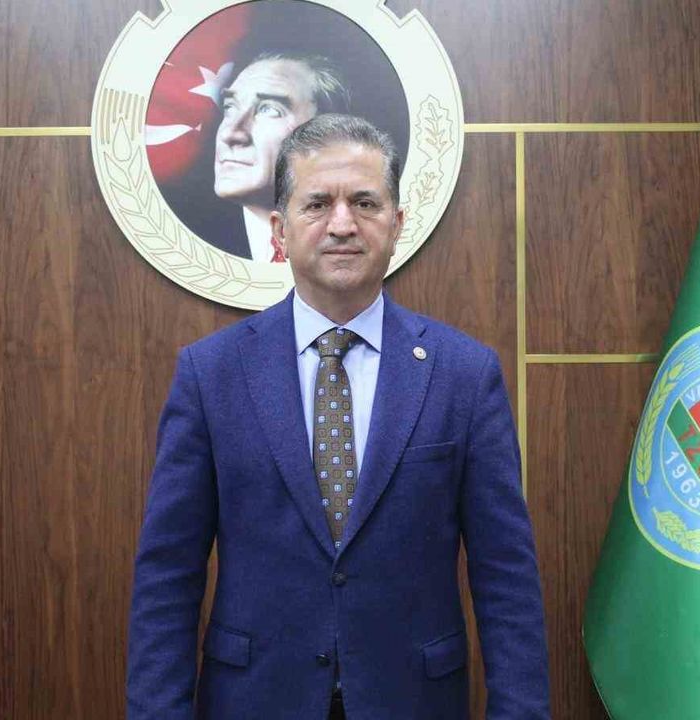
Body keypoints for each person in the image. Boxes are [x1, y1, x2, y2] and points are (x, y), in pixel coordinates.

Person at [125, 114, 550, 719]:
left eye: (365, 203)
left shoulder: (463, 374)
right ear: (280, 229)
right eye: (318, 203)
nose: (343, 224)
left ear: (397, 223)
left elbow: (506, 574)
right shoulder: (210, 373)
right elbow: (168, 575)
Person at [205, 52, 349, 261]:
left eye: (270, 110)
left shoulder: (362, 234)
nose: (230, 134)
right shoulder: (187, 239)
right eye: (230, 108)